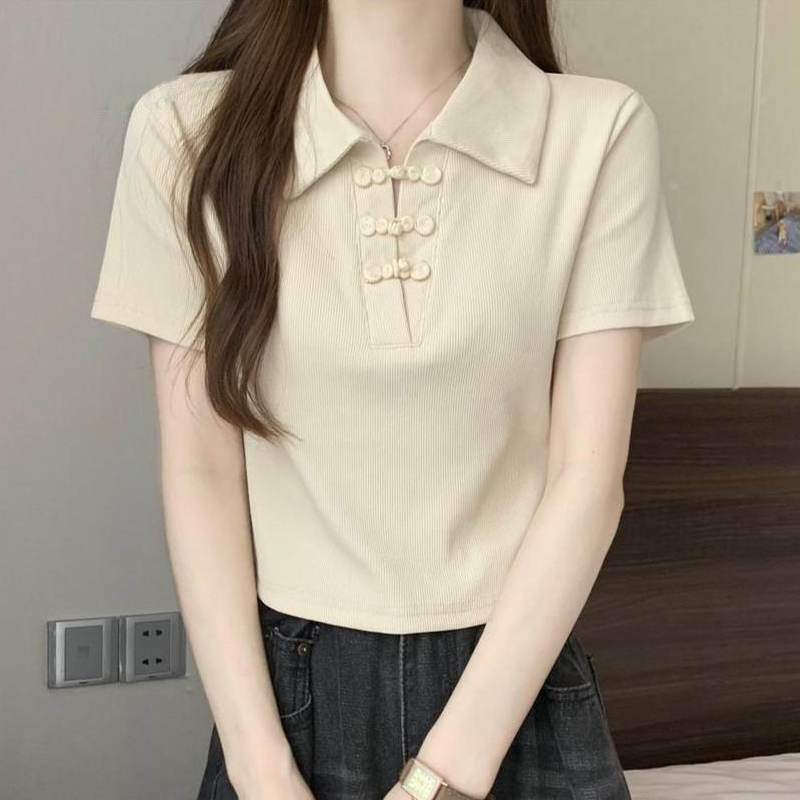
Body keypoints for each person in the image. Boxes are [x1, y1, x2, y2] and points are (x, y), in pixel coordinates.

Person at [89, 1, 695, 799]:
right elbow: (201, 469)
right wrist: (262, 770)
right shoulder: (185, 131)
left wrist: (443, 777)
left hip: (512, 692)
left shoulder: (598, 130)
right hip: (282, 706)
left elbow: (587, 478)